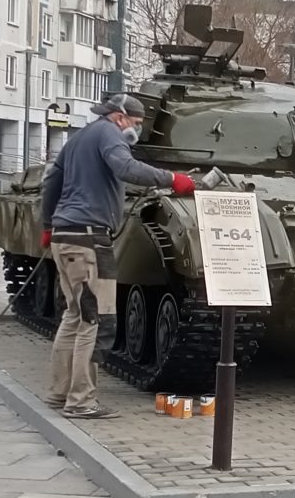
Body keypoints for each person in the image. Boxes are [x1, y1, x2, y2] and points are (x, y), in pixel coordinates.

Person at [40, 94, 196, 419]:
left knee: (74, 316)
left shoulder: (79, 137)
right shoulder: (109, 134)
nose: (136, 131)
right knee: (96, 320)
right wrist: (174, 179)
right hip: (90, 239)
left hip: (67, 236)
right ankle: (81, 401)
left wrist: (47, 225)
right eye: (136, 124)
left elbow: (52, 182)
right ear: (120, 116)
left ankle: (59, 393)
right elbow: (124, 167)